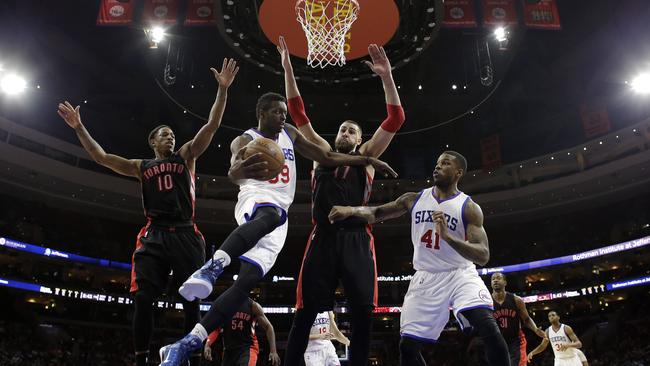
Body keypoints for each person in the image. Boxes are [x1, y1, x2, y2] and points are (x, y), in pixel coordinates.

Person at [158, 90, 397, 365]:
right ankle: (214, 266)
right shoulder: (246, 139)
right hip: (255, 200)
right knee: (270, 214)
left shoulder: (291, 135)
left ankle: (185, 344)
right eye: (277, 112)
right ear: (261, 113)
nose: (283, 116)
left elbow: (328, 157)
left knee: (243, 287)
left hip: (278, 218)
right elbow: (233, 173)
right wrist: (240, 171)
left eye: (285, 112)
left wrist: (367, 160)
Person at [57, 58, 240, 366]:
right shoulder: (141, 166)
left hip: (185, 232)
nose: (171, 137)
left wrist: (222, 90)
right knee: (143, 298)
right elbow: (100, 157)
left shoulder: (187, 155)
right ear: (153, 141)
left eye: (172, 134)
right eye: (164, 134)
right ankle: (141, 358)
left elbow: (211, 125)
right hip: (154, 234)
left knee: (191, 301)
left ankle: (189, 358)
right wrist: (79, 128)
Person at [277, 36, 406, 365]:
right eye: (343, 130)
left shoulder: (368, 154)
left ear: (361, 139)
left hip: (357, 238)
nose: (346, 133)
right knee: (305, 313)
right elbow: (296, 111)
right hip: (322, 238)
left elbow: (395, 119)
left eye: (352, 131)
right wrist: (287, 67)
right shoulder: (321, 154)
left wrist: (387, 76)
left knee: (362, 314)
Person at [328, 151, 510, 366]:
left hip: (460, 274)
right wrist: (350, 210)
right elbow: (376, 212)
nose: (437, 166)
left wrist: (449, 237)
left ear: (458, 172)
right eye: (437, 162)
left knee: (488, 327)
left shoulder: (468, 207)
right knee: (407, 347)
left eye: (445, 163)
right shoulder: (413, 199)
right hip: (426, 277)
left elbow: (483, 255)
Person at [203, 298, 281, 366]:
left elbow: (268, 327)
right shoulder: (225, 306)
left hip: (248, 348)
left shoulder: (253, 305)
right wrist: (208, 344)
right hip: (229, 350)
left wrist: (273, 351)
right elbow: (217, 328)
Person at [491, 272, 547, 366]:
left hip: (516, 341)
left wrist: (535, 329)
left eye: (498, 278)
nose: (495, 280)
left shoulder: (516, 300)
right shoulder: (487, 302)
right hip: (497, 341)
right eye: (493, 279)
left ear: (505, 282)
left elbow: (526, 319)